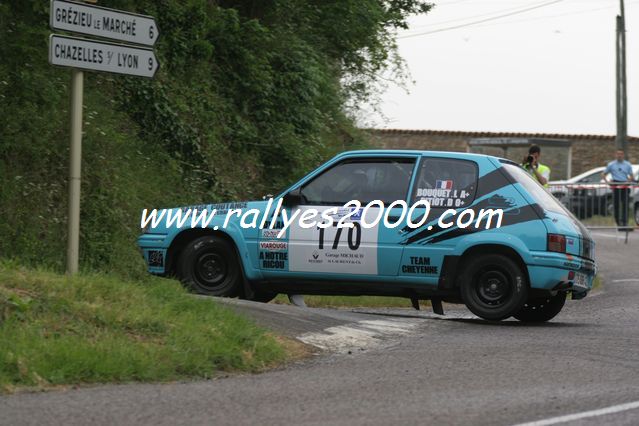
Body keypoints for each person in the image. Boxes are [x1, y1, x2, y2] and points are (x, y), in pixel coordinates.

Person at [602, 149, 634, 229]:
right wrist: (608, 182)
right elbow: (603, 174)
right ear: (615, 155)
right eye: (618, 154)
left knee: (625, 205)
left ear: (623, 155)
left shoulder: (627, 164)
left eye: (621, 154)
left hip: (625, 185)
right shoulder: (611, 164)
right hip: (615, 184)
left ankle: (625, 223)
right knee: (616, 205)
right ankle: (618, 223)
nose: (619, 155)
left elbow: (631, 176)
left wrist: (628, 182)